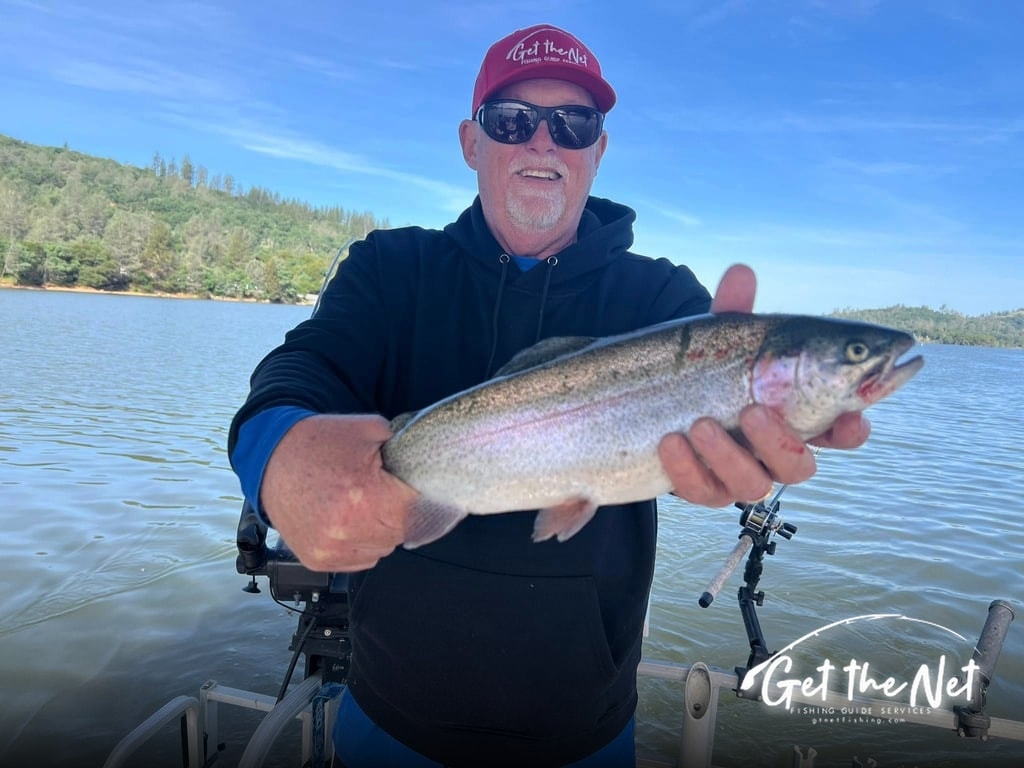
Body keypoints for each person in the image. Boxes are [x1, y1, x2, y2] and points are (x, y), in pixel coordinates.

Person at [228, 23, 869, 768]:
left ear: (597, 150)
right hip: (388, 714)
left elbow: (724, 453)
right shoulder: (389, 270)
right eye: (512, 121)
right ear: (473, 143)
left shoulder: (665, 300)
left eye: (574, 124)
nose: (543, 143)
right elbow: (295, 375)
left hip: (583, 731)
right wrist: (278, 458)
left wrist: (752, 441)